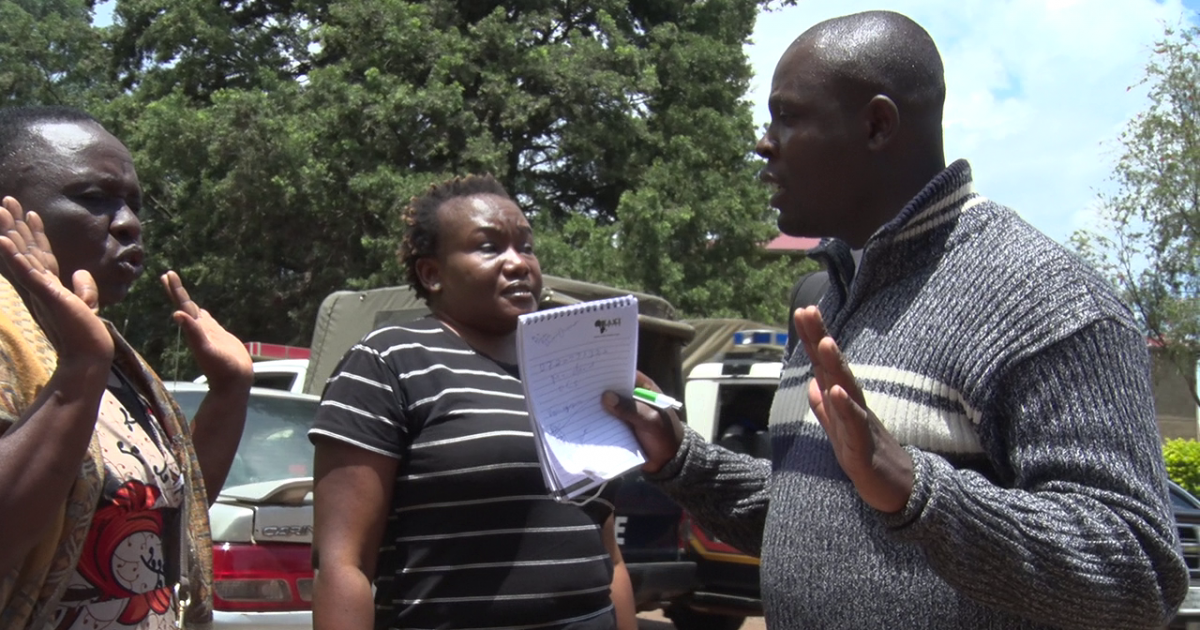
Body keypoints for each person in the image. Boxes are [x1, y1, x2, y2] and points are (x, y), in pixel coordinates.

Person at [602, 10, 1189, 630]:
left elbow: (1141, 574)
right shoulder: (826, 298)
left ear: (877, 125)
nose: (764, 143)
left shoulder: (1049, 303)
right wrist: (681, 458)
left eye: (788, 116)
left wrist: (917, 491)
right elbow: (813, 523)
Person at [308, 175, 636, 630]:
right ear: (432, 274)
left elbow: (608, 555)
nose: (518, 263)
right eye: (489, 247)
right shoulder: (388, 361)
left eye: (526, 246)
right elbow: (344, 564)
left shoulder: (572, 370)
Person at [0, 106, 254, 629]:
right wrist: (79, 374)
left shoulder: (110, 358)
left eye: (133, 205)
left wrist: (230, 391)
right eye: (95, 198)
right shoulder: (51, 352)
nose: (129, 223)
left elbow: (161, 522)